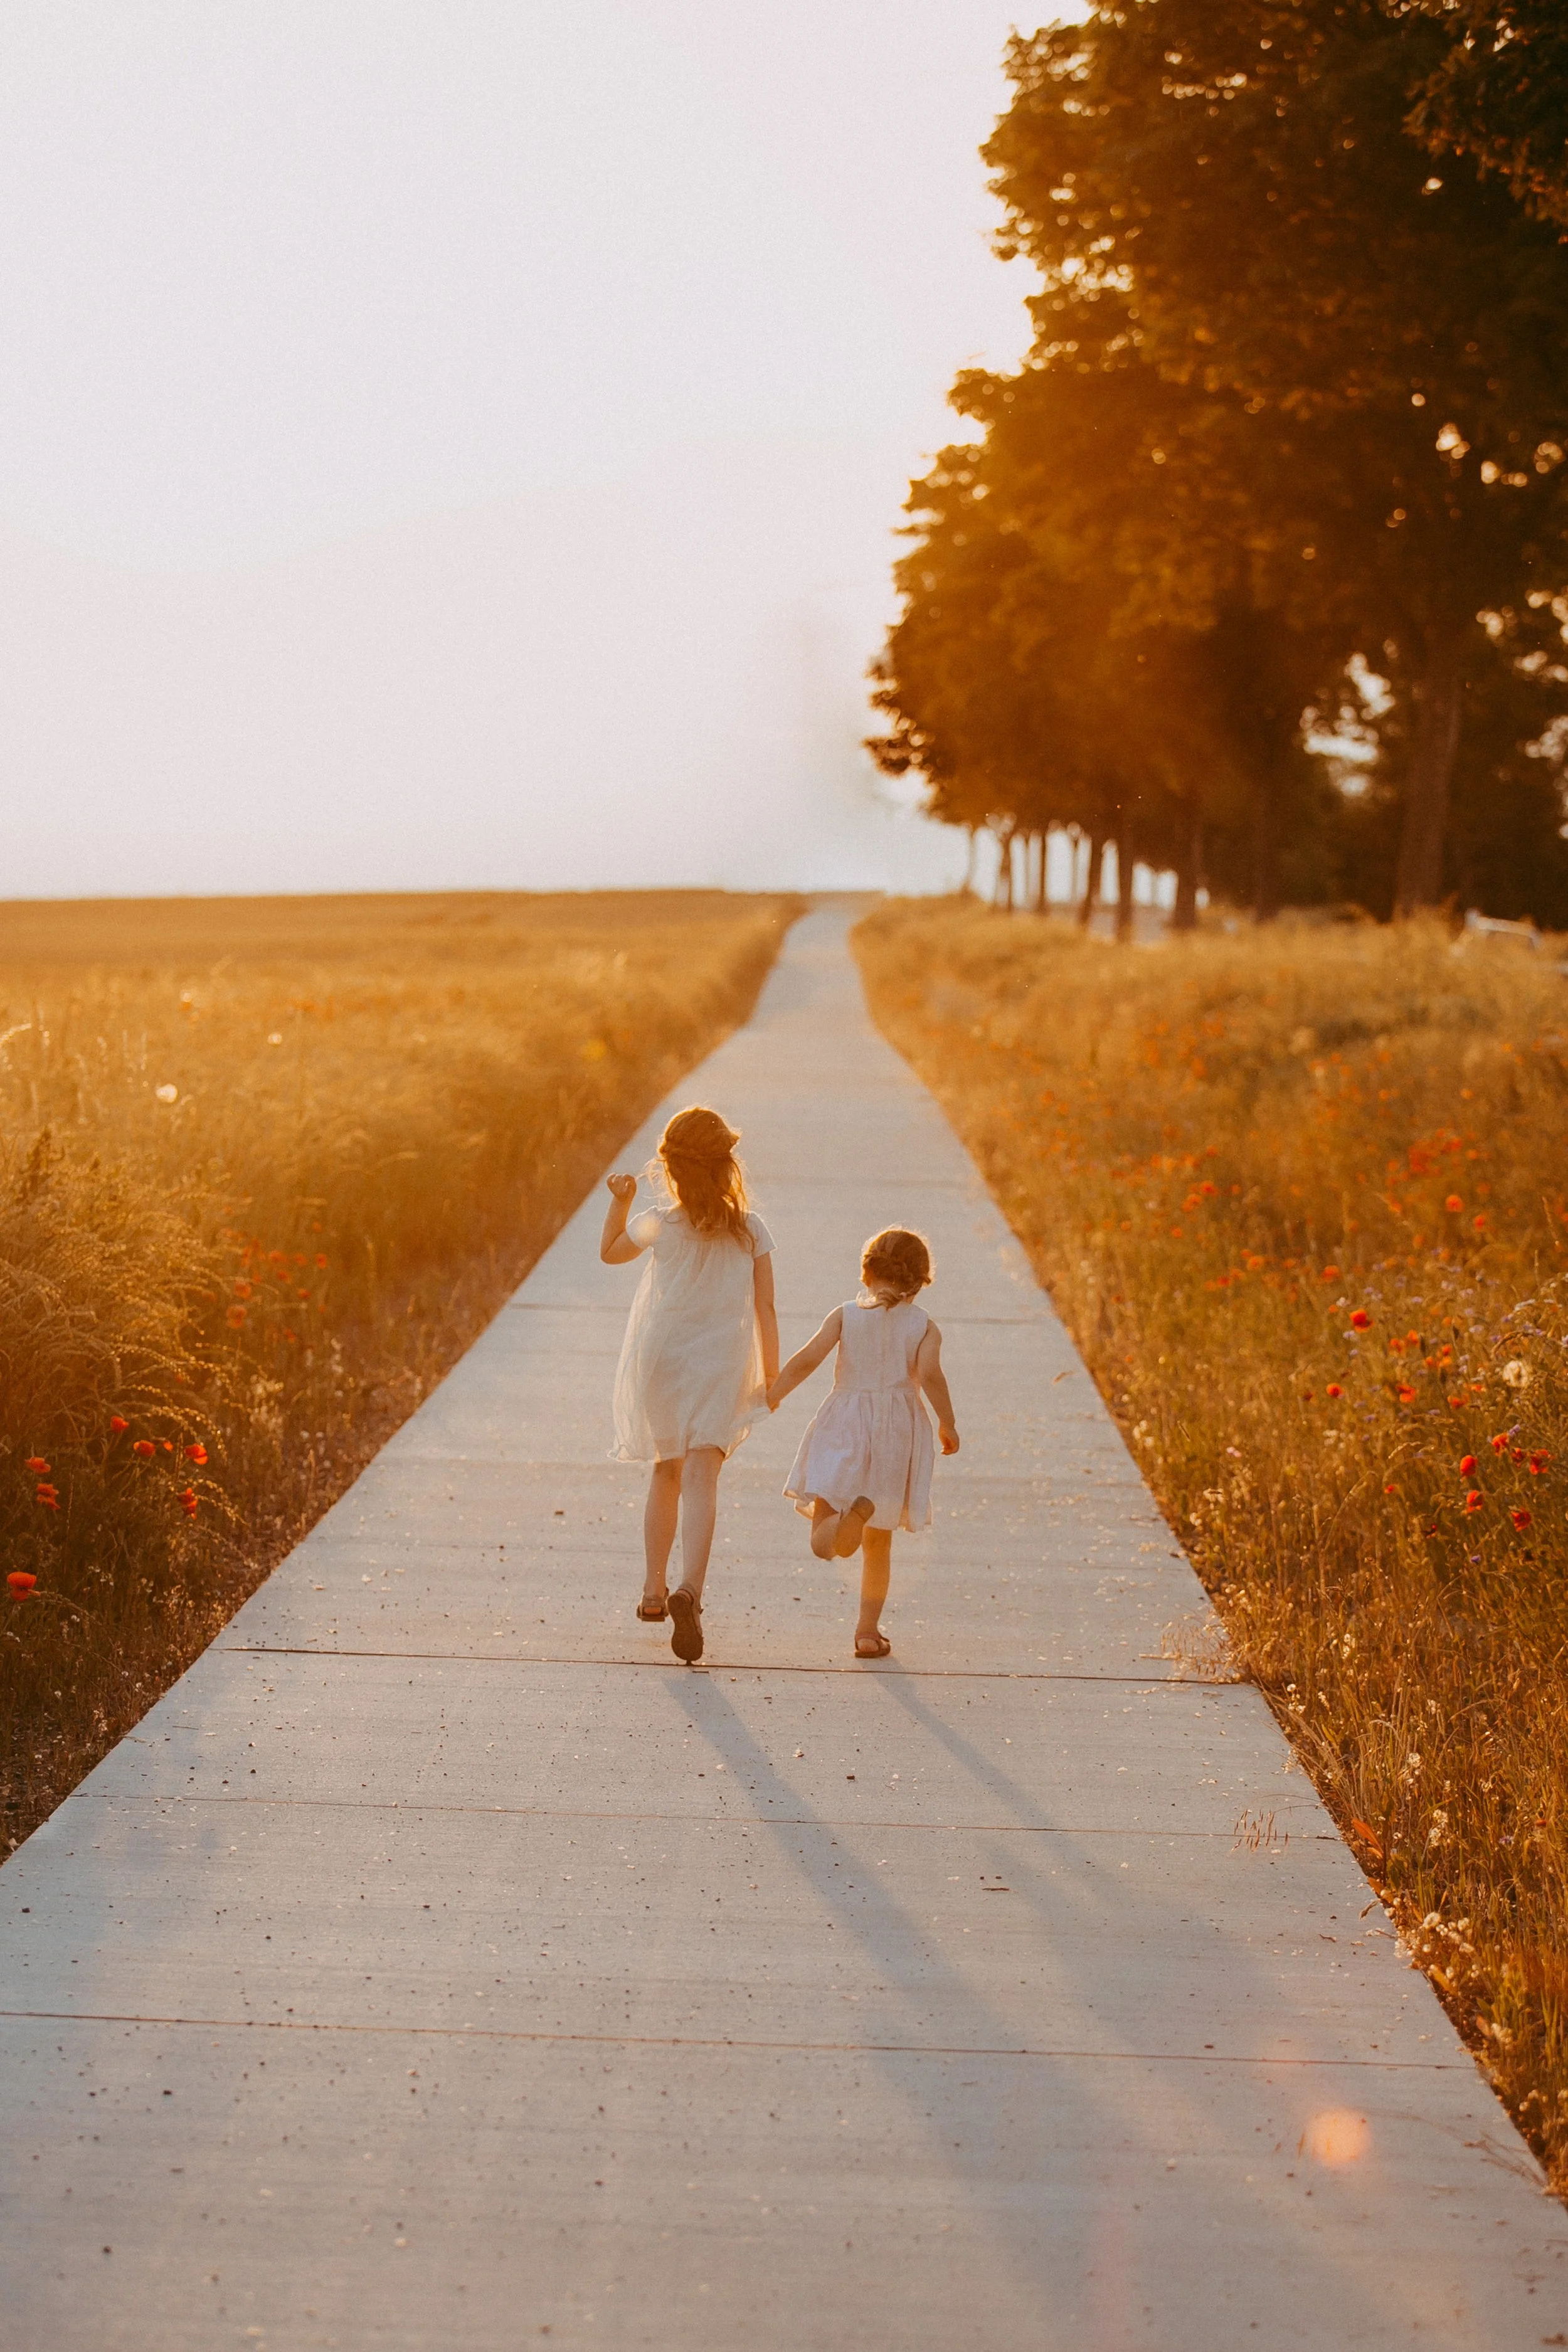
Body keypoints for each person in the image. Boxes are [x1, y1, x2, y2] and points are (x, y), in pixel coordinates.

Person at [601, 1104, 777, 1664]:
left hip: (665, 1360)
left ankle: (654, 1591)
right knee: (704, 1473)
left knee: (666, 1469)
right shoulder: (751, 1230)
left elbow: (610, 1254)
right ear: (728, 1165)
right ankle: (690, 1590)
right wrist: (770, 1376)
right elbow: (766, 1307)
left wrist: (621, 1202)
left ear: (671, 1170)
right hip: (720, 1364)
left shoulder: (659, 1220)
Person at [768, 1226, 959, 1658]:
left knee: (823, 1541)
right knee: (879, 1544)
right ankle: (868, 1633)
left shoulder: (844, 1315)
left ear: (867, 1272)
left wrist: (774, 1394)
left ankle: (841, 1521)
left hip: (844, 1427)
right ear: (919, 1283)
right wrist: (947, 1423)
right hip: (895, 1434)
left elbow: (808, 1360)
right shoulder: (924, 1326)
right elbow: (930, 1375)